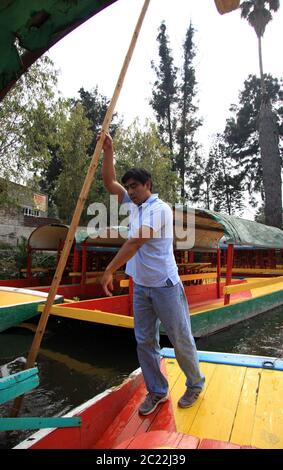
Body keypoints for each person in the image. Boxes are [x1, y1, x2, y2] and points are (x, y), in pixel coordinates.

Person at [99, 132, 205, 416]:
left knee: (179, 337)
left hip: (165, 285)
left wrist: (110, 270)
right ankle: (157, 391)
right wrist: (109, 150)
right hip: (142, 287)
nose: (130, 191)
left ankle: (195, 383)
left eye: (135, 186)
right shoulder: (134, 206)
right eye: (129, 187)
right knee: (145, 341)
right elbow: (109, 182)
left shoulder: (159, 210)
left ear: (148, 185)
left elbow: (135, 242)